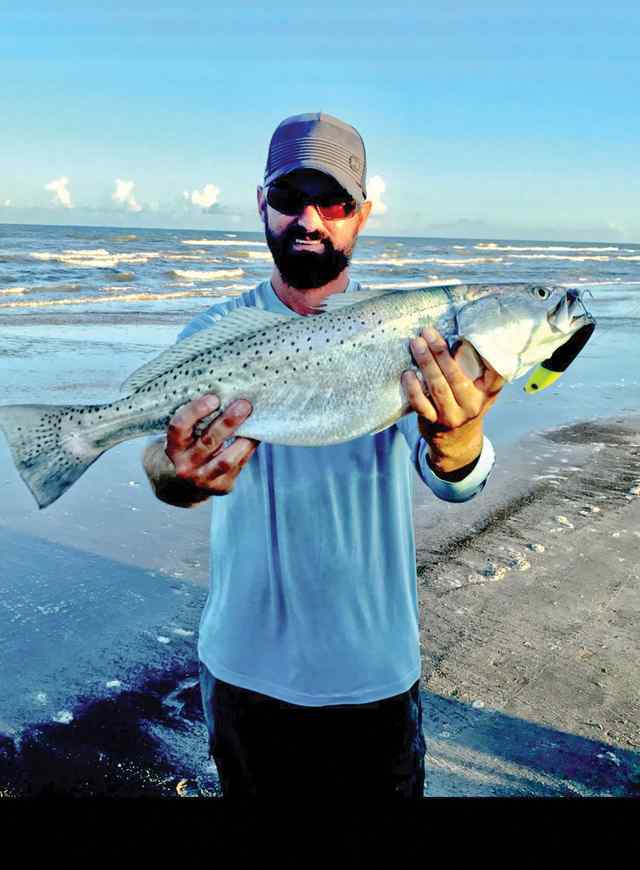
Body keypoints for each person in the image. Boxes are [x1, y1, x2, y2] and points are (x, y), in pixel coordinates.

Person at [142, 112, 505, 799]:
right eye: (290, 197)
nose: (310, 219)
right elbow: (160, 465)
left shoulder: (406, 332)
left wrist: (458, 440)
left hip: (372, 674)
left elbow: (455, 480)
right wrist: (182, 477)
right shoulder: (214, 333)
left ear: (361, 214)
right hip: (243, 669)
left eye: (334, 202)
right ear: (262, 204)